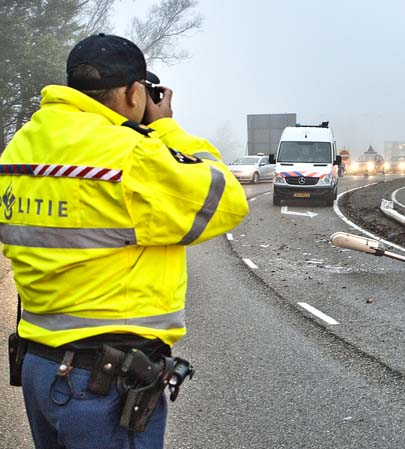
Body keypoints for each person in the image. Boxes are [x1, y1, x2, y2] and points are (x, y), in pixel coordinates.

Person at [0, 34, 249, 448]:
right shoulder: (131, 156)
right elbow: (227, 198)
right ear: (136, 92)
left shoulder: (20, 146)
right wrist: (165, 125)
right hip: (102, 385)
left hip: (39, 368)